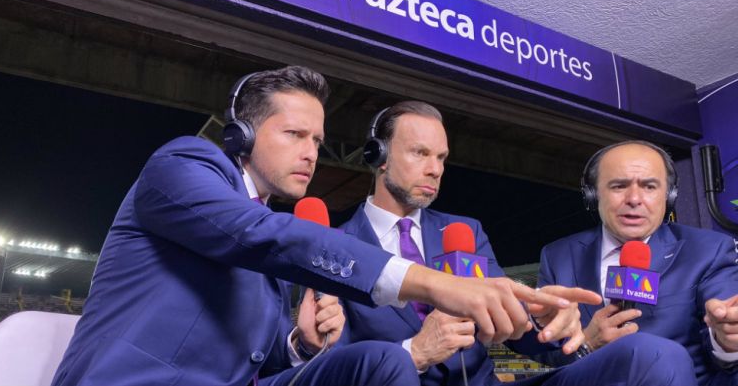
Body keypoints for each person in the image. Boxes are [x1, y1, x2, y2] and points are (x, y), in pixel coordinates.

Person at [51, 66, 584, 386]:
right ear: (241, 136)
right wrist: (438, 283)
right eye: (294, 134)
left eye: (317, 140)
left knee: (376, 363)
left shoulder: (273, 246)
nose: (312, 153)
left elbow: (261, 355)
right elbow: (262, 236)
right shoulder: (185, 164)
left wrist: (301, 345)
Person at [339, 102, 699, 386]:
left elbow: (516, 332)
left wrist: (546, 323)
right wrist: (412, 354)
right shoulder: (337, 246)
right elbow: (331, 367)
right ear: (378, 157)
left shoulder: (466, 231)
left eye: (441, 158)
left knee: (653, 353)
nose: (435, 169)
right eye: (420, 153)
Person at [534, 140, 738, 386]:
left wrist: (727, 339)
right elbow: (547, 353)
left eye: (649, 186)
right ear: (593, 195)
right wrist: (587, 344)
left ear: (669, 196)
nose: (634, 199)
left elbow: (725, 316)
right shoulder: (558, 255)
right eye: (619, 186)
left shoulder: (709, 249)